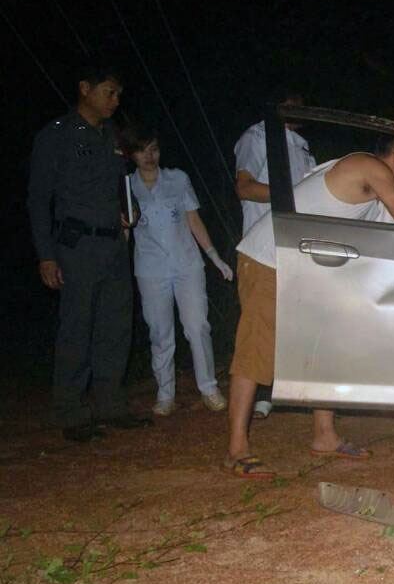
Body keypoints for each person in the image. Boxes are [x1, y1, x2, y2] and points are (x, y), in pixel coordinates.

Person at [224, 138, 394, 478]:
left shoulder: (376, 196)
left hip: (305, 270)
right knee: (255, 350)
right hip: (270, 258)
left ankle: (325, 435)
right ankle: (236, 450)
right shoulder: (368, 165)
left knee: (323, 350)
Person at [28, 65, 151, 442]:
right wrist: (46, 255)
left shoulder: (113, 135)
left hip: (114, 245)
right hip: (77, 246)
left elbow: (119, 186)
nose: (115, 101)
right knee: (77, 328)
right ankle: (72, 413)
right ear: (85, 88)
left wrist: (128, 212)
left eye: (118, 94)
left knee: (116, 327)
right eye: (109, 92)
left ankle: (112, 405)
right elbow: (38, 198)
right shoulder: (57, 135)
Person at [124, 126, 234, 416]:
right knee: (160, 332)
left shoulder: (177, 179)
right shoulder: (126, 186)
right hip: (150, 268)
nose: (149, 156)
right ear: (132, 154)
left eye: (154, 149)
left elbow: (193, 220)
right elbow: (124, 230)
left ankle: (209, 388)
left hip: (187, 263)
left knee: (197, 326)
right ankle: (165, 394)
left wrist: (215, 257)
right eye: (142, 150)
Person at [232, 89, 315, 421]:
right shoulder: (256, 136)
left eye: (300, 104)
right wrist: (290, 197)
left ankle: (289, 391)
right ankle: (260, 396)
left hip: (295, 245)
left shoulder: (303, 147)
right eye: (290, 103)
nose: (296, 109)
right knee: (260, 328)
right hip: (262, 246)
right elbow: (245, 186)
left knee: (296, 321)